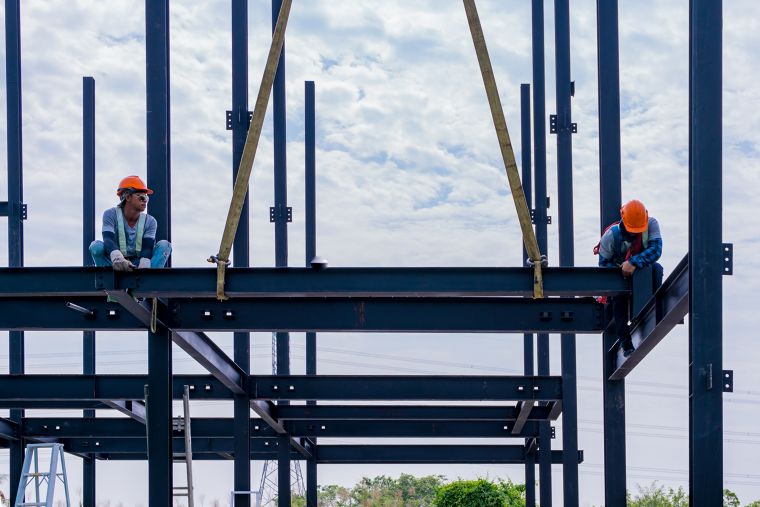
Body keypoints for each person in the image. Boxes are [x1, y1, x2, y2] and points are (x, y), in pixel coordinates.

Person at [596, 199, 663, 356]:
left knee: (656, 270)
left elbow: (656, 250)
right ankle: (625, 343)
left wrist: (633, 262)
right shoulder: (611, 236)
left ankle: (653, 308)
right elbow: (603, 265)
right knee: (618, 300)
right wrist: (621, 270)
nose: (634, 233)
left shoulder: (651, 224)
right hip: (619, 276)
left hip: (642, 271)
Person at [89, 176, 171, 271]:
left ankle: (148, 280)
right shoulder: (110, 214)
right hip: (114, 263)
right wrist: (118, 258)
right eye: (141, 197)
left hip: (138, 263)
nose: (145, 201)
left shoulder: (150, 221)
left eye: (146, 198)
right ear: (128, 197)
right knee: (96, 246)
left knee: (165, 245)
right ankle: (107, 279)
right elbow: (108, 239)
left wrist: (144, 265)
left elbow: (147, 247)